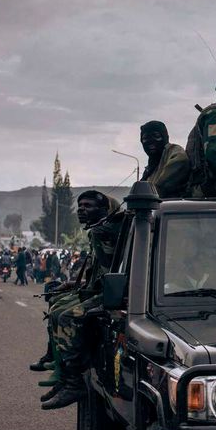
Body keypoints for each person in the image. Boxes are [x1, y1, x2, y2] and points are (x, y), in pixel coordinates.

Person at [42, 191, 125, 410]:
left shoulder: (106, 231)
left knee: (68, 316)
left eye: (88, 206)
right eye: (79, 206)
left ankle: (73, 381)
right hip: (100, 288)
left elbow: (110, 269)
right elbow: (97, 271)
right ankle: (61, 371)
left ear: (105, 210)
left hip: (116, 293)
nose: (81, 210)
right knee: (57, 307)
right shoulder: (100, 230)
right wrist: (73, 284)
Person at [139, 120, 190, 199]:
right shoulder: (151, 168)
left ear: (165, 137)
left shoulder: (175, 152)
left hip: (173, 207)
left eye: (156, 136)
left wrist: (148, 197)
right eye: (145, 138)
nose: (150, 142)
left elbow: (161, 188)